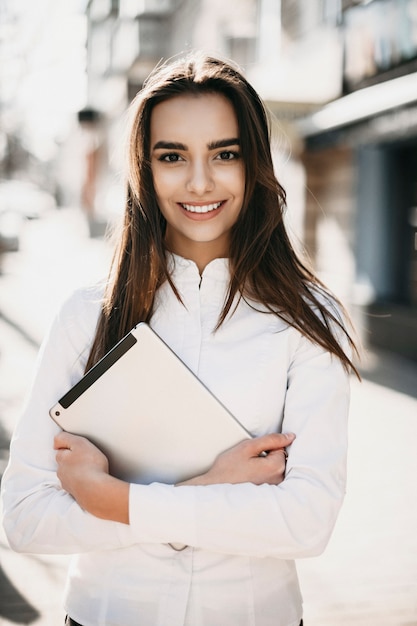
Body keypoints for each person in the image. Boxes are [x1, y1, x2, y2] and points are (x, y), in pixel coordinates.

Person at [1, 52, 359, 626]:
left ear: (256, 164)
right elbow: (22, 519)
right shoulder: (86, 316)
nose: (199, 181)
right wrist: (214, 487)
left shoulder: (307, 321)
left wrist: (114, 500)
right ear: (144, 167)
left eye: (225, 154)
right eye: (172, 156)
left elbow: (306, 522)